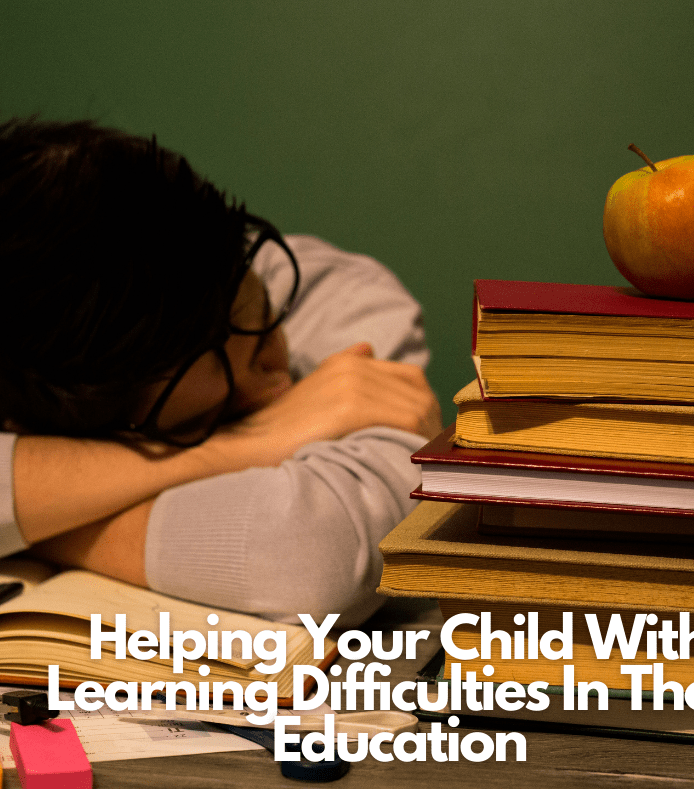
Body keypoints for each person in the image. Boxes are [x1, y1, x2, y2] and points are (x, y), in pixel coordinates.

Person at [0, 118, 441, 627]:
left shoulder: (337, 296)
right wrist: (244, 443)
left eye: (265, 332)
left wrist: (33, 523)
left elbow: (314, 558)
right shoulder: (30, 371)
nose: (276, 388)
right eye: (219, 411)